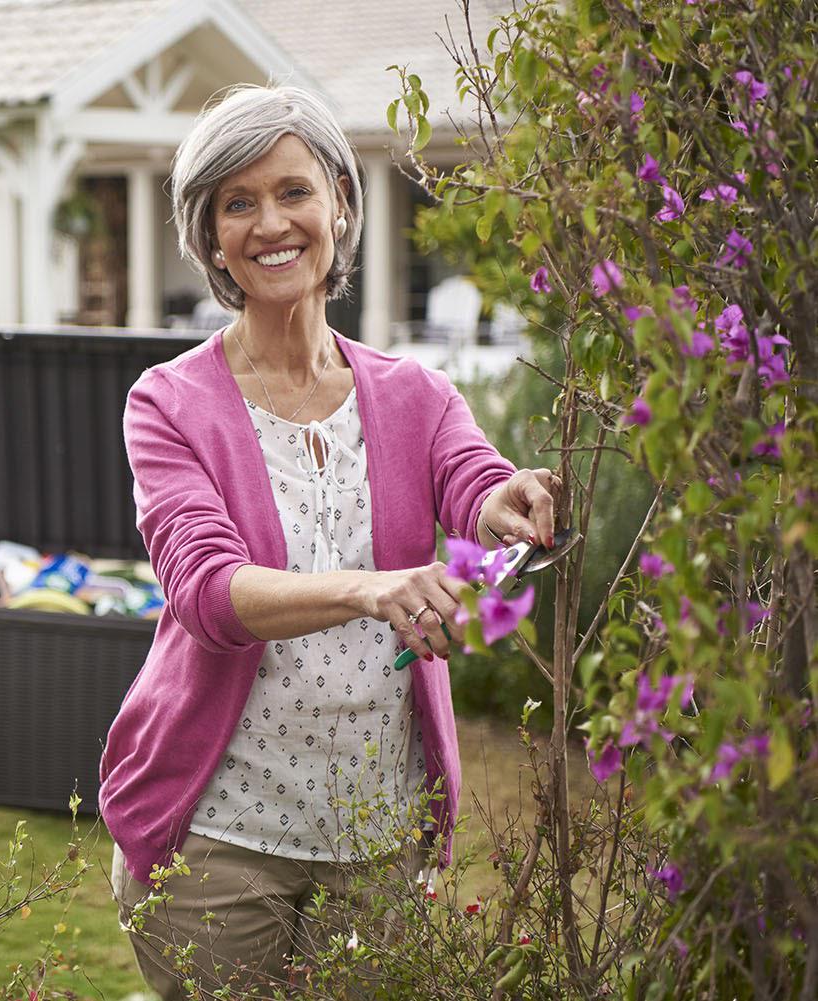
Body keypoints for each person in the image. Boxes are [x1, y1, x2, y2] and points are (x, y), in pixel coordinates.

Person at [98, 85, 559, 999]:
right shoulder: (168, 402)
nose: (271, 222)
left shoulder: (416, 395)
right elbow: (206, 590)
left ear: (340, 203)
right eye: (238, 202)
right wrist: (369, 589)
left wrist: (507, 500)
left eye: (292, 191)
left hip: (380, 834)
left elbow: (474, 484)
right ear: (211, 236)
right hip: (219, 839)